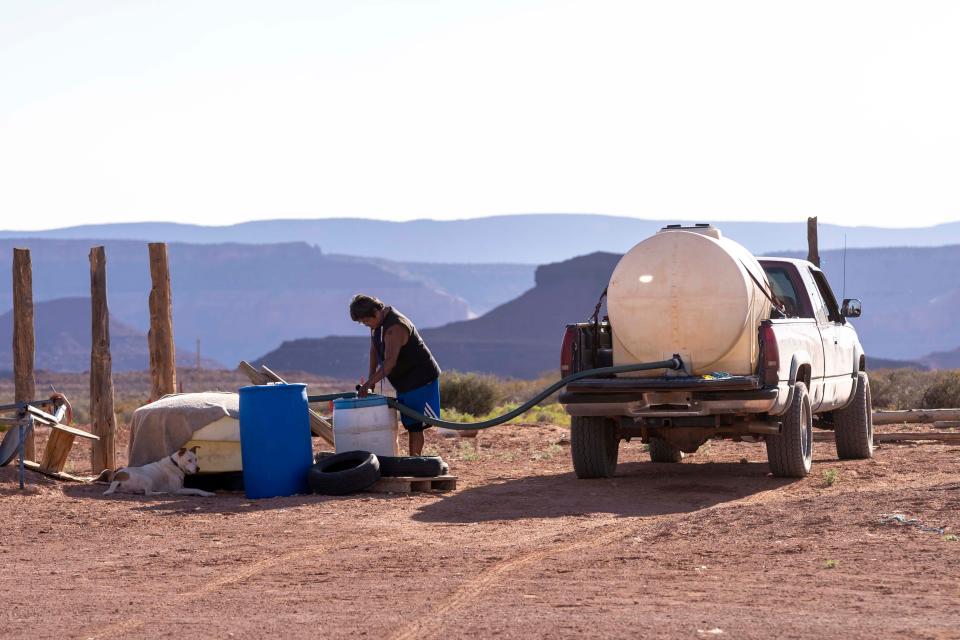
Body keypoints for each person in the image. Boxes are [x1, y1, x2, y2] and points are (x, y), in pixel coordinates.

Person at [349, 294, 441, 456]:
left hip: (421, 380)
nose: (366, 325)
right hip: (404, 381)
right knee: (409, 422)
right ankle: (414, 461)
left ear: (377, 312)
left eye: (366, 321)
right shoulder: (377, 325)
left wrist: (369, 383)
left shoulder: (395, 328)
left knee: (416, 425)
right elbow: (374, 350)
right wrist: (371, 379)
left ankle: (416, 463)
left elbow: (390, 362)